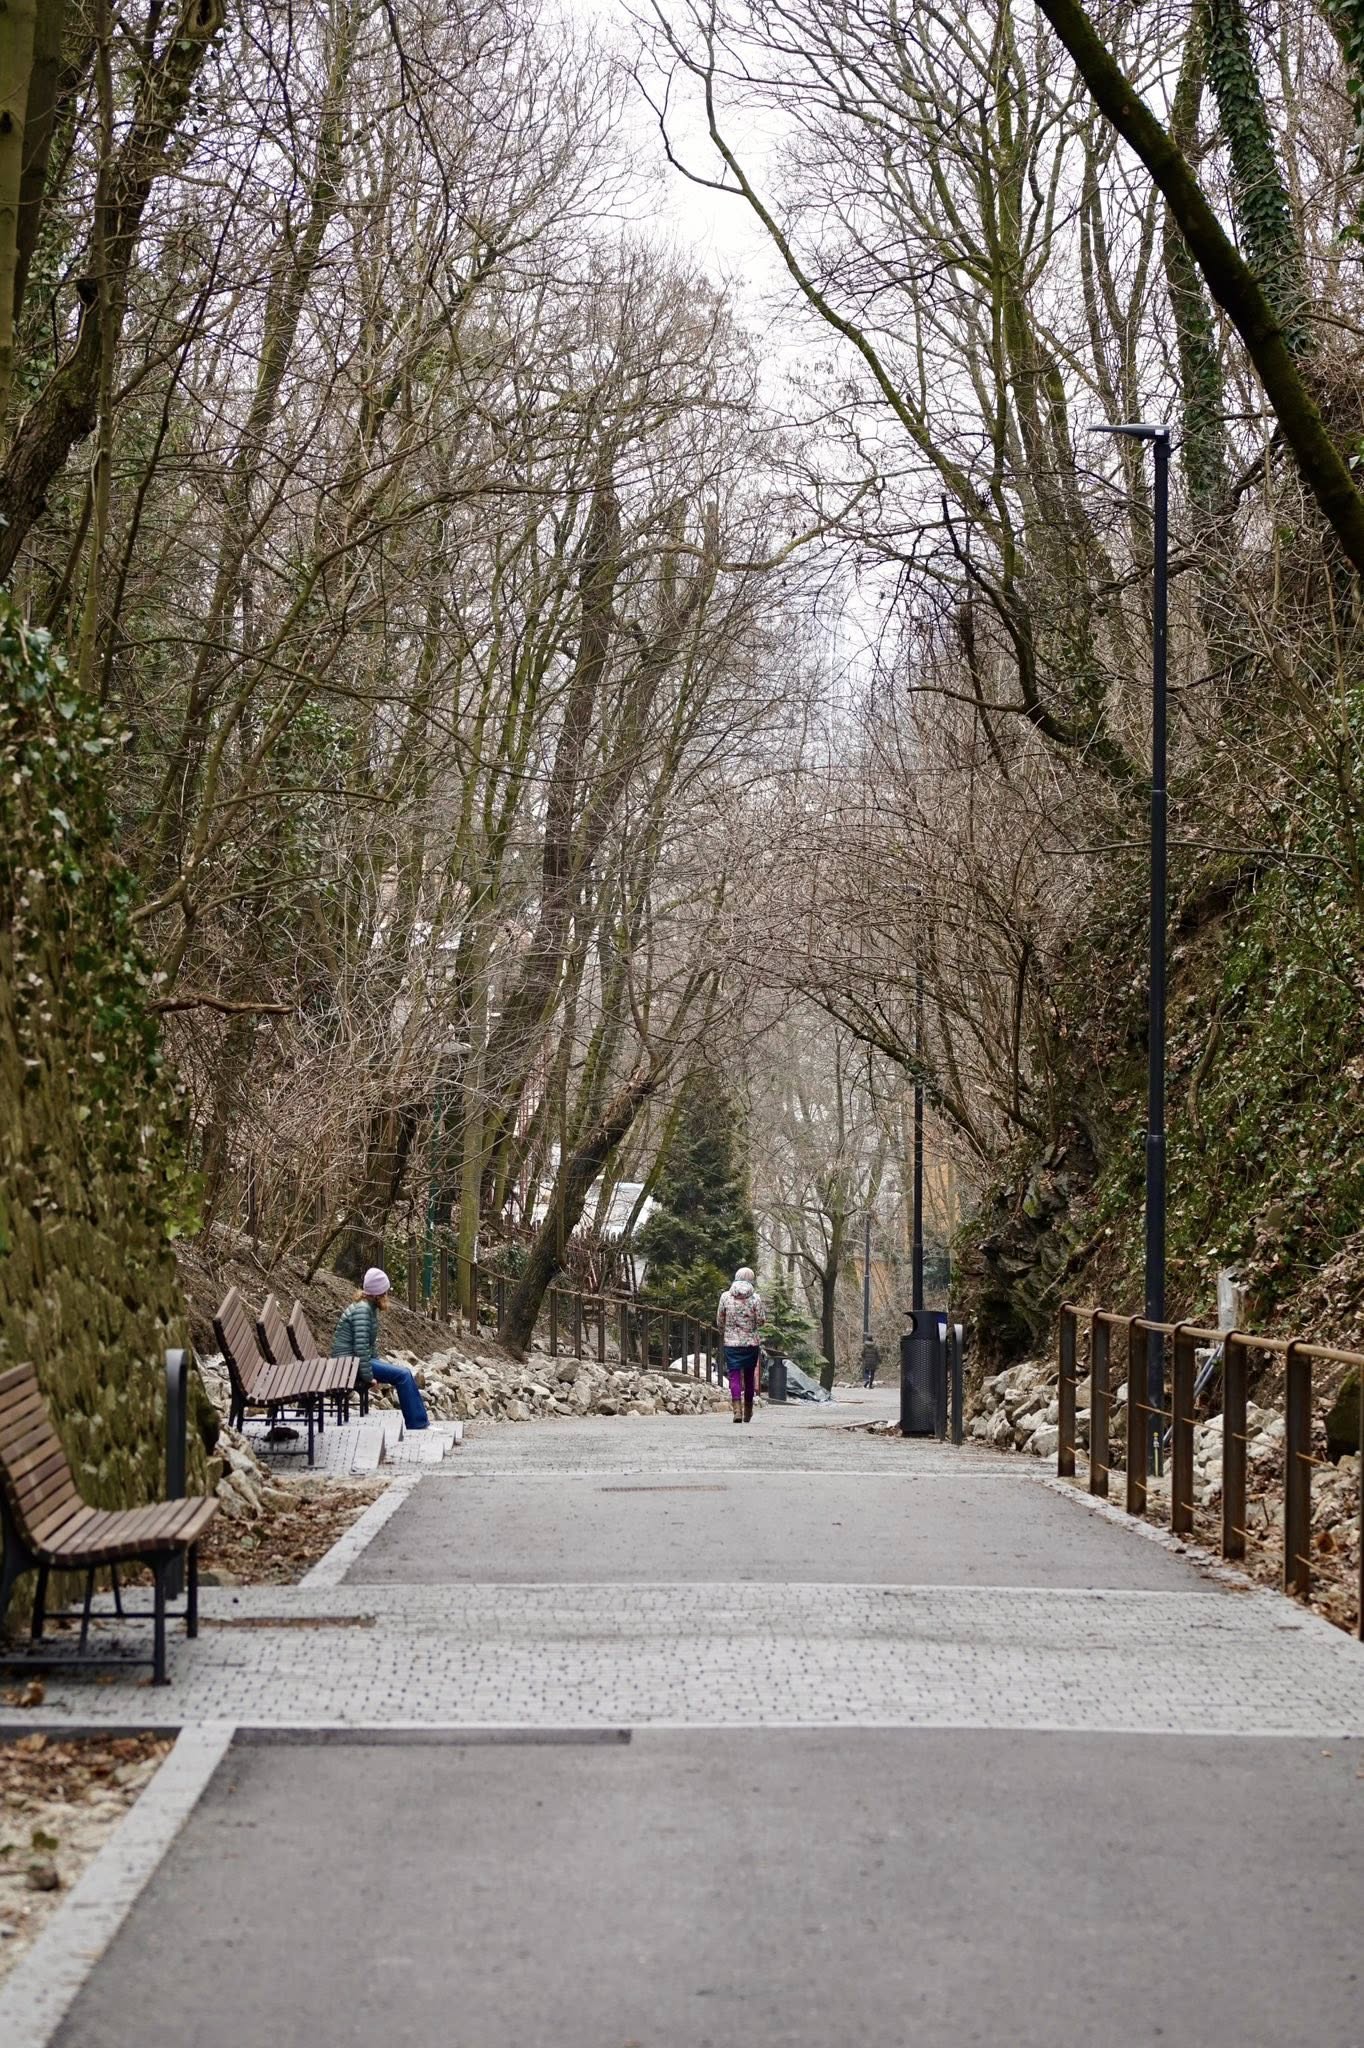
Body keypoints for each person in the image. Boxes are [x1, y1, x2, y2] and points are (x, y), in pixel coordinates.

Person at [332, 1267, 429, 1430]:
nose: (387, 1295)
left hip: (353, 1361)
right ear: (377, 1294)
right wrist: (369, 1377)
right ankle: (418, 1424)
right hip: (349, 1364)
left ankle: (419, 1422)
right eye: (385, 1291)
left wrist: (377, 1362)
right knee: (404, 1375)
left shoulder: (367, 1307)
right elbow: (361, 1349)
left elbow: (369, 1344)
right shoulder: (363, 1310)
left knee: (402, 1373)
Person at [717, 1265, 765, 1424]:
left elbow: (720, 1319)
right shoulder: (756, 1298)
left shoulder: (725, 1296)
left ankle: (737, 1410)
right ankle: (748, 1411)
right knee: (750, 1377)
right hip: (751, 1343)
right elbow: (761, 1320)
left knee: (734, 1376)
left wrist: (726, 1330)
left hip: (731, 1343)